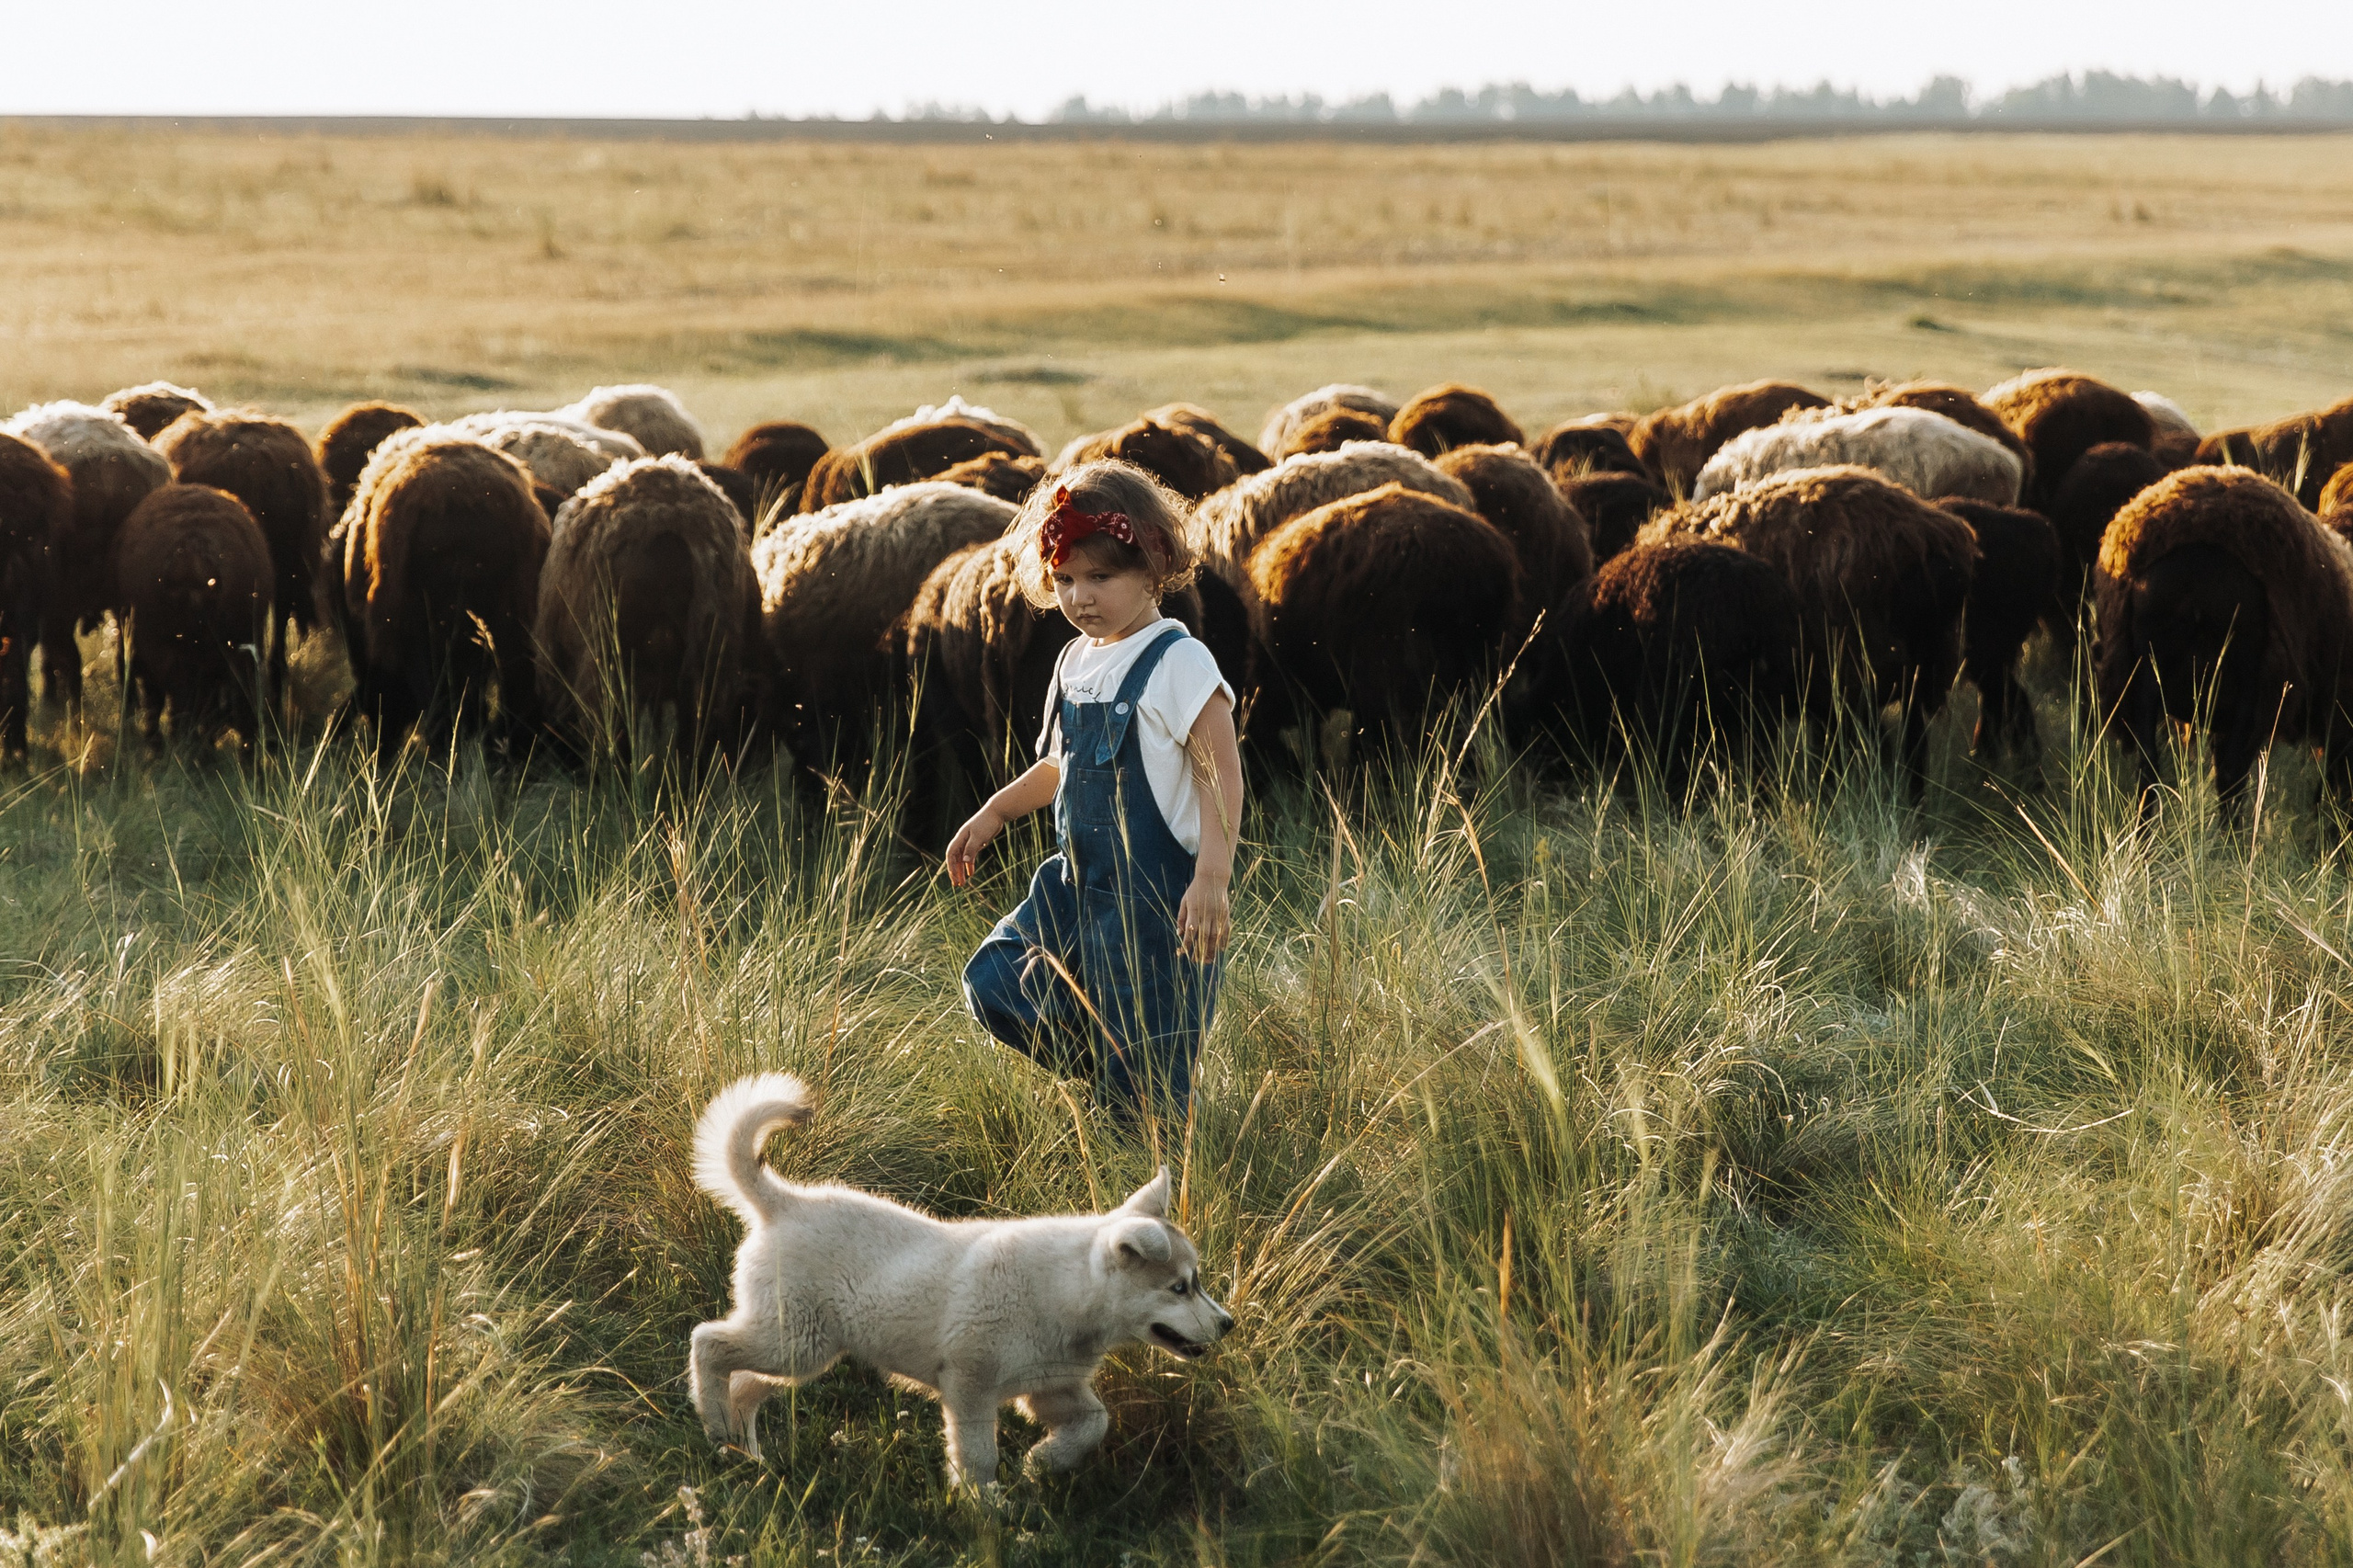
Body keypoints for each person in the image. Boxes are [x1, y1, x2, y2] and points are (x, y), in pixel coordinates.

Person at [948, 460, 1244, 1118]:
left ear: (1154, 565)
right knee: (994, 982)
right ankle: (1117, 1072)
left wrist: (1213, 876)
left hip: (1157, 902)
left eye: (1101, 577)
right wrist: (996, 810)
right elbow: (1060, 765)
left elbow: (1220, 773)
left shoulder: (1178, 660)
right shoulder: (1075, 659)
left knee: (1150, 1066)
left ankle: (1144, 1111)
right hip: (1075, 885)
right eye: (1065, 579)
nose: (1080, 597)